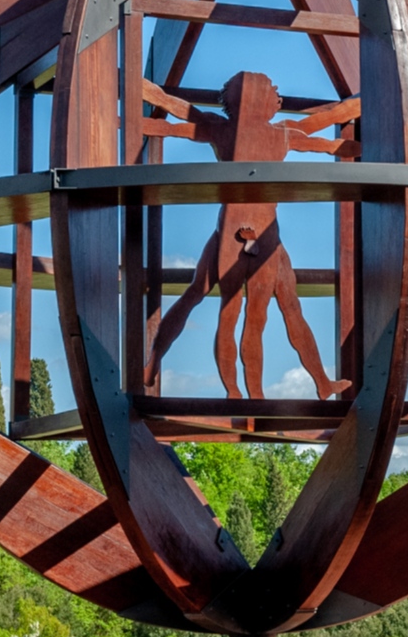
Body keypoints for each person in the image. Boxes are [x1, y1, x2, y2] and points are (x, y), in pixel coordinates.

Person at [143, 71, 358, 399]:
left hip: (240, 232)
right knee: (249, 314)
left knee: (234, 305)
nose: (278, 97)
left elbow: (180, 115)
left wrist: (148, 96)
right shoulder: (276, 133)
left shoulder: (226, 129)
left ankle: (310, 385)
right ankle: (246, 392)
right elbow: (317, 134)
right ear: (258, 98)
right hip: (254, 234)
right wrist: (345, 125)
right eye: (272, 91)